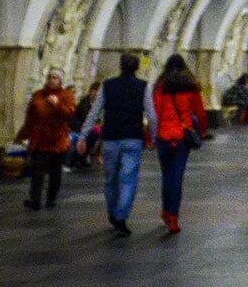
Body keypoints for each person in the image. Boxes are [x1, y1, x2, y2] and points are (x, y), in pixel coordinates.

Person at [78, 53, 156, 236]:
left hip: (111, 138)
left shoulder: (107, 86)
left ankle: (113, 212)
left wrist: (83, 136)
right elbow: (152, 115)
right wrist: (154, 136)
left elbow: (94, 113)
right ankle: (121, 213)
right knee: (128, 178)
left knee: (110, 178)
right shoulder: (143, 87)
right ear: (137, 68)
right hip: (133, 138)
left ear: (120, 66)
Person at [152, 53, 209, 235]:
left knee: (166, 175)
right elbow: (200, 112)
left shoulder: (161, 87)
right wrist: (202, 130)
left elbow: (156, 112)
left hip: (163, 135)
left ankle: (165, 210)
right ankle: (173, 218)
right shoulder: (191, 86)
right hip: (182, 135)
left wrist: (150, 135)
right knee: (177, 177)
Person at [19, 70, 77, 210]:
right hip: (40, 138)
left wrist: (57, 105)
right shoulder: (38, 94)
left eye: (56, 78)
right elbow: (31, 116)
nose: (52, 80)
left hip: (57, 139)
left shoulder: (66, 95)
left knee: (55, 171)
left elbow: (70, 114)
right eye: (50, 77)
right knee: (37, 170)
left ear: (60, 81)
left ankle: (51, 197)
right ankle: (35, 200)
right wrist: (22, 135)